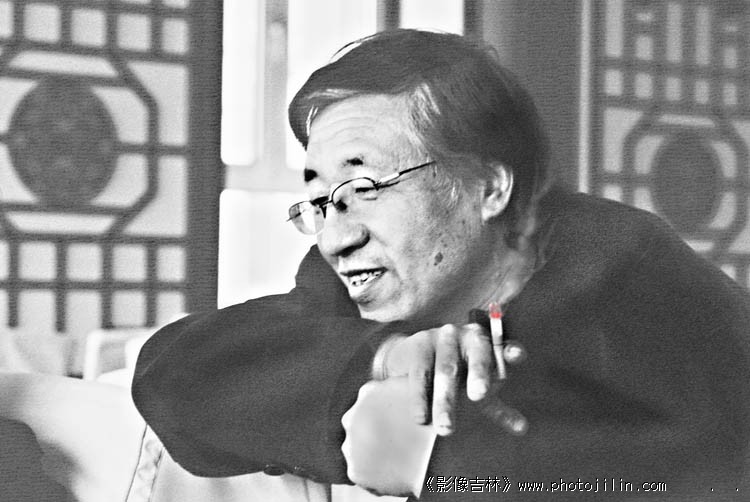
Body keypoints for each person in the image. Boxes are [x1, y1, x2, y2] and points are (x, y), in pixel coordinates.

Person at [132, 29, 750, 500]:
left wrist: (436, 462)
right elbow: (174, 372)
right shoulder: (351, 282)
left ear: (490, 188)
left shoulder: (624, 268)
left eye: (366, 187)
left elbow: (708, 468)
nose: (336, 237)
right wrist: (385, 356)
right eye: (320, 201)